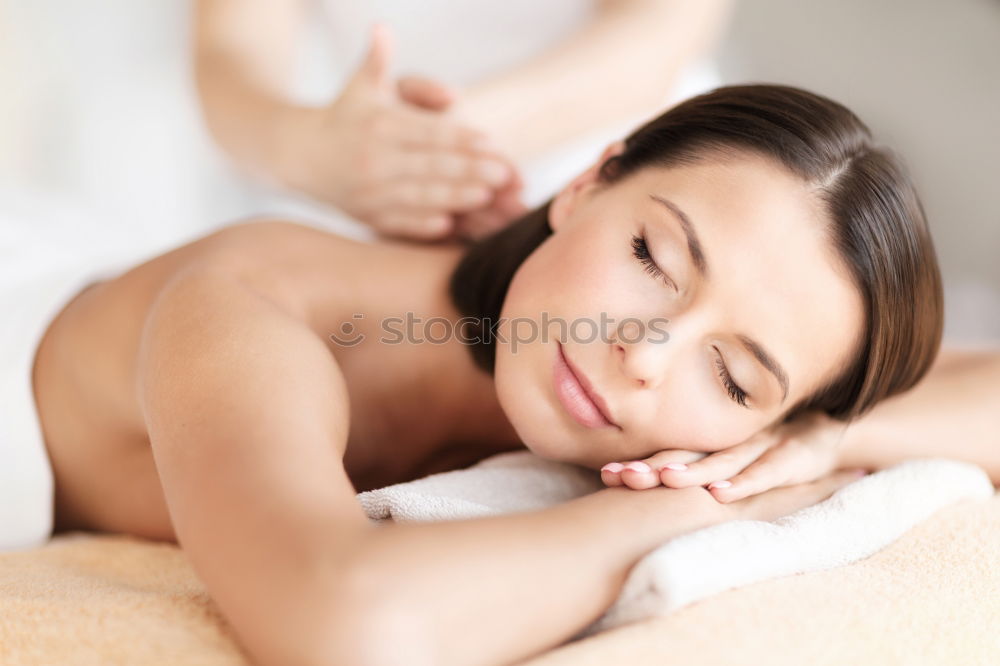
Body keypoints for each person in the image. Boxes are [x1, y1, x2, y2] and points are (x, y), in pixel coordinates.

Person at [7, 85, 999, 666]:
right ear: (587, 183)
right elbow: (345, 620)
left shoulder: (742, 396)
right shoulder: (247, 305)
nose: (644, 355)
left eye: (735, 378)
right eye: (654, 257)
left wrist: (816, 443)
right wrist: (695, 511)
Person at [193, 0, 733, 240]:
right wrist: (315, 151)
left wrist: (443, 146)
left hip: (651, 170)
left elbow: (659, 34)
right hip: (390, 200)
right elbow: (228, 52)